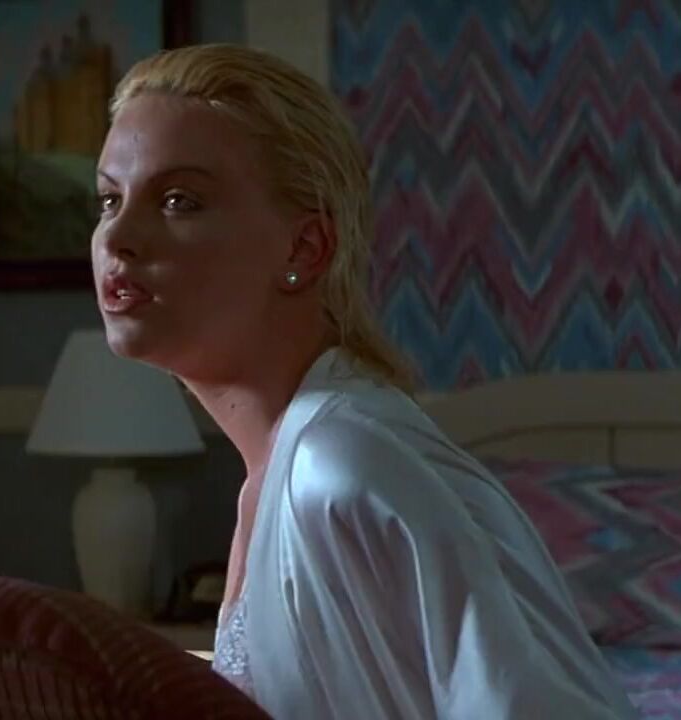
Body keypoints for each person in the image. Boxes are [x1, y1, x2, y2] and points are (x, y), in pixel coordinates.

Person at [90, 43, 631, 719]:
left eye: (179, 200)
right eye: (109, 200)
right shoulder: (285, 465)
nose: (118, 237)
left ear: (305, 247)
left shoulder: (339, 465)